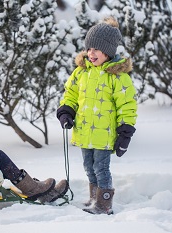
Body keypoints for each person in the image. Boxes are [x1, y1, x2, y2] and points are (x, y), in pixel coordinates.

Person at [57, 16, 138, 215]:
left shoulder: (118, 77)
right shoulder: (81, 72)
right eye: (89, 49)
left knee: (101, 169)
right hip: (85, 131)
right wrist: (66, 112)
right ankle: (94, 199)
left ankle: (104, 205)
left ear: (108, 51)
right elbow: (71, 94)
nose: (91, 54)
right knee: (88, 167)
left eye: (96, 49)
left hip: (104, 134)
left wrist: (125, 133)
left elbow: (127, 105)